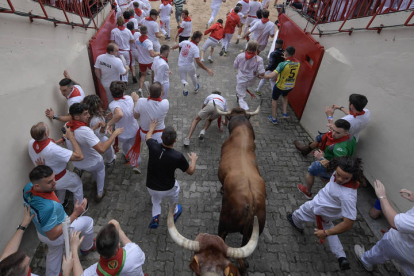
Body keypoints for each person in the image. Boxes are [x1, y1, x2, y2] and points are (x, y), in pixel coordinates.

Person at [287, 157, 364, 271]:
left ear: (353, 177)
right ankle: (341, 257)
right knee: (328, 226)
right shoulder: (337, 170)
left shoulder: (348, 196)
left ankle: (296, 223)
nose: (339, 179)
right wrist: (322, 158)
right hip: (325, 212)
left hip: (317, 208)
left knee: (299, 213)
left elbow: (348, 223)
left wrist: (325, 233)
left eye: (345, 178)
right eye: (338, 174)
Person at [23, 165, 94, 276]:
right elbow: (53, 235)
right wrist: (75, 213)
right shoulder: (48, 207)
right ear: (37, 186)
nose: (55, 182)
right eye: (49, 182)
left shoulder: (28, 188)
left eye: (54, 178)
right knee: (88, 222)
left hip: (41, 232)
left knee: (54, 253)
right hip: (57, 235)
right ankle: (87, 247)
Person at [145, 120, 198, 229]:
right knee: (175, 192)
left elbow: (148, 137)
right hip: (167, 188)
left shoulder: (152, 146)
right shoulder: (177, 156)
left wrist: (151, 128)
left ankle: (155, 216)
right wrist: (193, 160)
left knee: (155, 198)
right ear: (175, 141)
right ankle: (174, 212)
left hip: (150, 186)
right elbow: (191, 171)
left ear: (161, 138)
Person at [354, 181, 414, 274]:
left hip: (397, 242)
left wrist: (382, 197)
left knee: (378, 252)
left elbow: (395, 222)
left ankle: (366, 261)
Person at [68, 103, 123, 202]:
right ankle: (99, 193)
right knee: (100, 170)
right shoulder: (85, 131)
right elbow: (101, 149)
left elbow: (82, 134)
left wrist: (94, 128)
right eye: (85, 114)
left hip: (78, 163)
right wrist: (114, 135)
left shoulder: (68, 126)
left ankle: (96, 181)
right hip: (93, 161)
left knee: (95, 171)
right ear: (77, 116)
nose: (89, 116)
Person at [297, 119, 357, 199]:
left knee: (311, 170)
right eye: (333, 130)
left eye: (337, 132)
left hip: (328, 166)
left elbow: (338, 166)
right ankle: (328, 187)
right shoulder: (352, 138)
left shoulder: (339, 148)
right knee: (326, 179)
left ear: (346, 133)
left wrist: (321, 158)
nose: (333, 134)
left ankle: (307, 192)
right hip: (332, 166)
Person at [28, 122, 85, 205]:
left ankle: (61, 203)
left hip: (48, 178)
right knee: (77, 183)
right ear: (46, 133)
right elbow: (79, 156)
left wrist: (62, 139)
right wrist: (71, 137)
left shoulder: (31, 143)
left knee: (62, 188)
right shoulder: (53, 150)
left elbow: (48, 146)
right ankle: (79, 208)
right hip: (59, 177)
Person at [294, 94, 370, 155]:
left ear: (352, 105)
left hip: (341, 139)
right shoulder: (367, 112)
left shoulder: (347, 120)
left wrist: (329, 115)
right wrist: (340, 107)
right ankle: (307, 150)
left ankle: (307, 150)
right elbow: (352, 114)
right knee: (321, 137)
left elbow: (333, 129)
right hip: (353, 138)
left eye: (349, 102)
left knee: (320, 138)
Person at [70, 220, 146, 276]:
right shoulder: (135, 253)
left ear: (96, 247)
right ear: (118, 245)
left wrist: (73, 248)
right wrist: (119, 230)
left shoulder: (95, 272)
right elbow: (130, 246)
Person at [127, 82, 169, 171]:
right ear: (161, 92)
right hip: (158, 136)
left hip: (144, 134)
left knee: (144, 146)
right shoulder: (165, 103)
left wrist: (136, 101)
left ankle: (136, 163)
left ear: (149, 92)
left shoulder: (141, 101)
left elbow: (136, 116)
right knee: (156, 152)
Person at [106, 81, 140, 172]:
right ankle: (135, 162)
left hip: (122, 131)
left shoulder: (112, 104)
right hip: (133, 128)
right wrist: (113, 113)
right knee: (135, 145)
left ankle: (126, 155)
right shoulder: (129, 98)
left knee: (125, 144)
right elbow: (124, 109)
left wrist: (109, 123)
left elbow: (120, 114)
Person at [262, 46, 300, 124]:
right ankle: (285, 113)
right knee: (285, 96)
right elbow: (291, 62)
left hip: (280, 86)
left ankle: (274, 118)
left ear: (285, 53)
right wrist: (286, 57)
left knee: (275, 99)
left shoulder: (282, 64)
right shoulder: (298, 62)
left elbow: (272, 75)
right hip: (290, 86)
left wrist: (264, 76)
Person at [172, 31, 214, 96]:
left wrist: (171, 48)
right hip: (189, 66)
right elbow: (198, 62)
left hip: (181, 65)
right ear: (197, 38)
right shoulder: (195, 48)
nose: (200, 40)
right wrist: (207, 69)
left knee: (183, 79)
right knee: (193, 76)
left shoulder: (185, 42)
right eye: (200, 38)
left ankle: (185, 88)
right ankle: (196, 88)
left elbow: (177, 46)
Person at [0, 205, 38, 276]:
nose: (29, 258)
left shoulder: (3, 270)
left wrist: (22, 225)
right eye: (27, 266)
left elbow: (8, 253)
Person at [82, 95, 116, 166]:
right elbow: (99, 135)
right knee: (108, 145)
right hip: (96, 138)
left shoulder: (87, 116)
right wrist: (103, 128)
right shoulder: (96, 119)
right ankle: (111, 160)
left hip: (89, 137)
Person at [233, 40, 265, 110]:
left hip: (241, 78)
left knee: (241, 97)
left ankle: (245, 110)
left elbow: (235, 66)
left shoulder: (240, 56)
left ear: (247, 47)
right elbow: (262, 73)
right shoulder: (259, 59)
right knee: (244, 88)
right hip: (251, 80)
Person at [135, 26, 160, 96]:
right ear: (147, 32)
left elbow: (136, 47)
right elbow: (152, 54)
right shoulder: (149, 42)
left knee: (143, 75)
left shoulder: (137, 40)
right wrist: (158, 53)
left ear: (140, 32)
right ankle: (153, 87)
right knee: (154, 72)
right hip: (149, 61)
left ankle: (140, 88)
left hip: (141, 61)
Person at [110, 16, 135, 82]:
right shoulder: (128, 31)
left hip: (117, 52)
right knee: (126, 66)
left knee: (118, 66)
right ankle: (125, 81)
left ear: (117, 22)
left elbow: (112, 42)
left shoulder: (113, 31)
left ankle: (119, 80)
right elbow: (132, 40)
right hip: (126, 51)